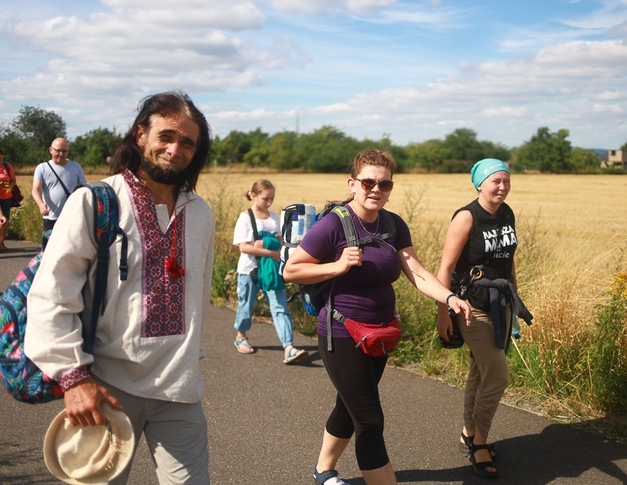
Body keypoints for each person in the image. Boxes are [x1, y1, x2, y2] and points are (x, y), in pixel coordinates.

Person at [26, 90, 215, 484]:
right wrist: (73, 378)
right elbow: (50, 295)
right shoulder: (95, 202)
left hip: (179, 391)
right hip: (107, 388)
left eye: (187, 143)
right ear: (140, 134)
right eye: (166, 136)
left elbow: (197, 296)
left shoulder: (200, 213)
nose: (174, 149)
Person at [283, 149, 472, 485]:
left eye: (384, 184)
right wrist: (338, 265)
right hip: (341, 333)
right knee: (369, 420)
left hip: (380, 333)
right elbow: (291, 270)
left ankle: (323, 472)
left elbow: (416, 271)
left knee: (349, 405)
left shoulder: (393, 224)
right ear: (353, 183)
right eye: (368, 181)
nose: (376, 189)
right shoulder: (333, 225)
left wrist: (450, 297)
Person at [435, 158, 532, 479]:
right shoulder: (466, 217)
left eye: (506, 180)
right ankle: (480, 442)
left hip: (501, 304)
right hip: (470, 307)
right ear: (480, 184)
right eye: (495, 181)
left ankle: (468, 431)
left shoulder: (507, 213)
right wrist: (442, 313)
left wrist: (515, 302)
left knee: (480, 369)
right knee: (498, 376)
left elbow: (509, 261)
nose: (502, 187)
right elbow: (445, 269)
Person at [233, 178, 308, 364]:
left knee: (280, 307)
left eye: (272, 199)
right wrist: (272, 252)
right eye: (266, 198)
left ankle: (289, 347)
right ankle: (241, 336)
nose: (269, 202)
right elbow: (243, 247)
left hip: (272, 271)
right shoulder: (245, 217)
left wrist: (277, 247)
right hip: (249, 270)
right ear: (253, 195)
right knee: (246, 306)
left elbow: (282, 241)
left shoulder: (274, 217)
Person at [31, 137, 87, 231]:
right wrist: (41, 205)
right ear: (51, 150)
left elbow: (84, 188)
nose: (61, 154)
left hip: (72, 217)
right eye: (58, 150)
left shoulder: (76, 167)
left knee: (71, 245)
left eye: (64, 151)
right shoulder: (42, 168)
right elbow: (35, 190)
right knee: (51, 244)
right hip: (51, 217)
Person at [0, 147, 17, 250]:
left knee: (5, 220)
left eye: (0, 158)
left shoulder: (7, 166)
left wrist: (7, 186)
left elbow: (13, 181)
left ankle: (2, 243)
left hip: (6, 197)